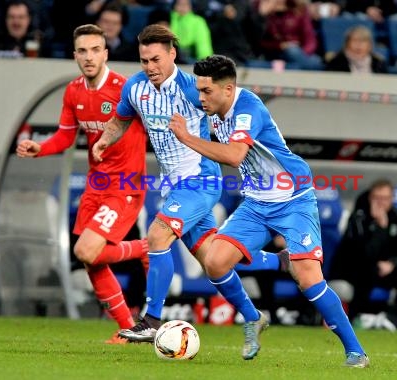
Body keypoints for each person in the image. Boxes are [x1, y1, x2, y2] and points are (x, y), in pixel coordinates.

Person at [92, 24, 286, 360]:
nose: (149, 67)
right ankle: (270, 284)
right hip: (174, 184)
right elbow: (121, 119)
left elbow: (223, 114)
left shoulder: (192, 89)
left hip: (201, 179)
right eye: (143, 60)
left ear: (171, 54)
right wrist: (104, 140)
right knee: (213, 260)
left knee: (157, 235)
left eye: (155, 59)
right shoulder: (135, 87)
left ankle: (151, 319)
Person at [167, 54, 369, 367]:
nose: (200, 97)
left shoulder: (248, 109)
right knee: (215, 262)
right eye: (200, 90)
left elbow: (235, 156)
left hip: (293, 198)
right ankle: (253, 316)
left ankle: (355, 352)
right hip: (257, 202)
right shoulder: (214, 104)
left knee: (309, 279)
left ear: (228, 89)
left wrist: (186, 137)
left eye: (206, 91)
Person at [16, 24, 149, 344]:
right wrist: (40, 148)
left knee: (87, 250)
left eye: (95, 50)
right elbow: (65, 135)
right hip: (96, 185)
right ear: (75, 55)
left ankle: (147, 247)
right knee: (89, 260)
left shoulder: (125, 88)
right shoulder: (74, 91)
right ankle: (126, 329)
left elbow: (156, 125)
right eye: (83, 51)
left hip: (126, 184)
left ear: (106, 53)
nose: (89, 57)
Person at [330, 179, 397, 322]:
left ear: (392, 199)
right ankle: (356, 317)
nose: (381, 202)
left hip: (385, 268)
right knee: (365, 269)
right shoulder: (359, 218)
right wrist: (381, 227)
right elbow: (365, 253)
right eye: (377, 198)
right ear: (370, 198)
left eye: (385, 198)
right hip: (355, 269)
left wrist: (392, 263)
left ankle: (395, 318)